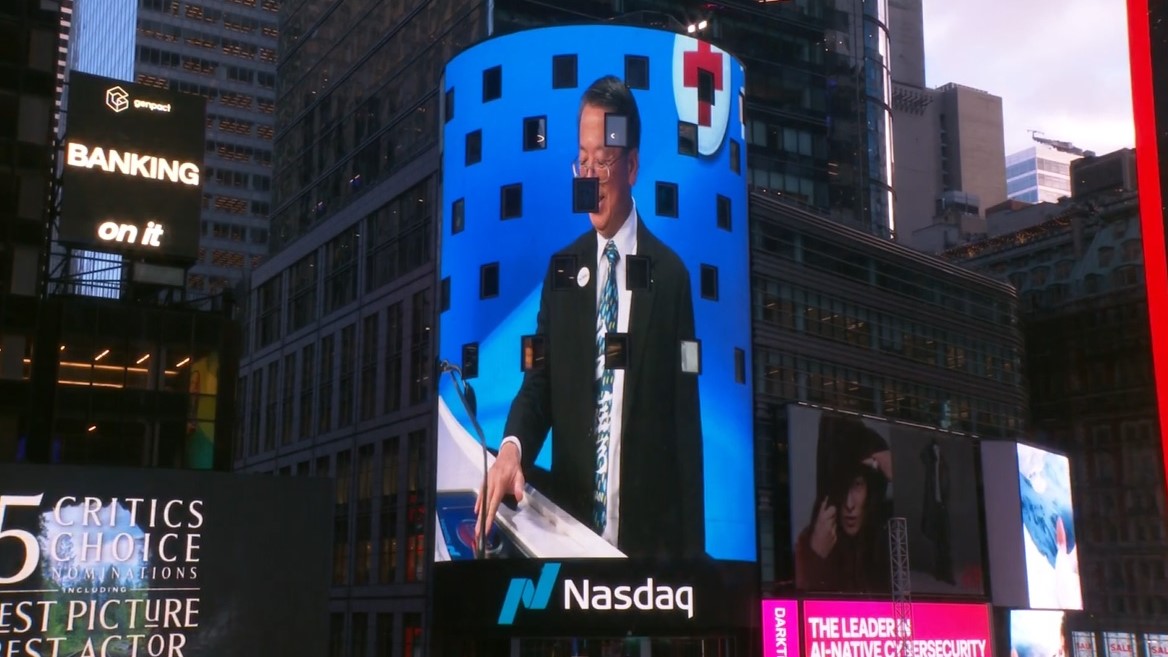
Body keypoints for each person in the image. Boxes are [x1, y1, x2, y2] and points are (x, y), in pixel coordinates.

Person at [475, 75, 705, 559]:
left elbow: (685, 432)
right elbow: (539, 379)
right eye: (583, 161)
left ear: (633, 166)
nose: (591, 176)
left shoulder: (671, 277)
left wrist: (691, 571)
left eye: (605, 161)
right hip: (569, 544)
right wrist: (511, 448)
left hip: (645, 560)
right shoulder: (562, 270)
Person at [795, 413, 892, 592]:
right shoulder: (808, 541)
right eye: (842, 487)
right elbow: (802, 606)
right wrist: (817, 556)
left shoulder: (886, 533)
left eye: (857, 485)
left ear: (870, 489)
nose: (849, 504)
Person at [920, 438, 955, 584]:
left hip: (942, 508)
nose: (936, 452)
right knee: (936, 541)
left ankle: (947, 573)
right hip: (933, 507)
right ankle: (939, 572)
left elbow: (947, 486)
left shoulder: (943, 465)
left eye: (937, 449)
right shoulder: (931, 465)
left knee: (945, 541)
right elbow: (922, 455)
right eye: (934, 449)